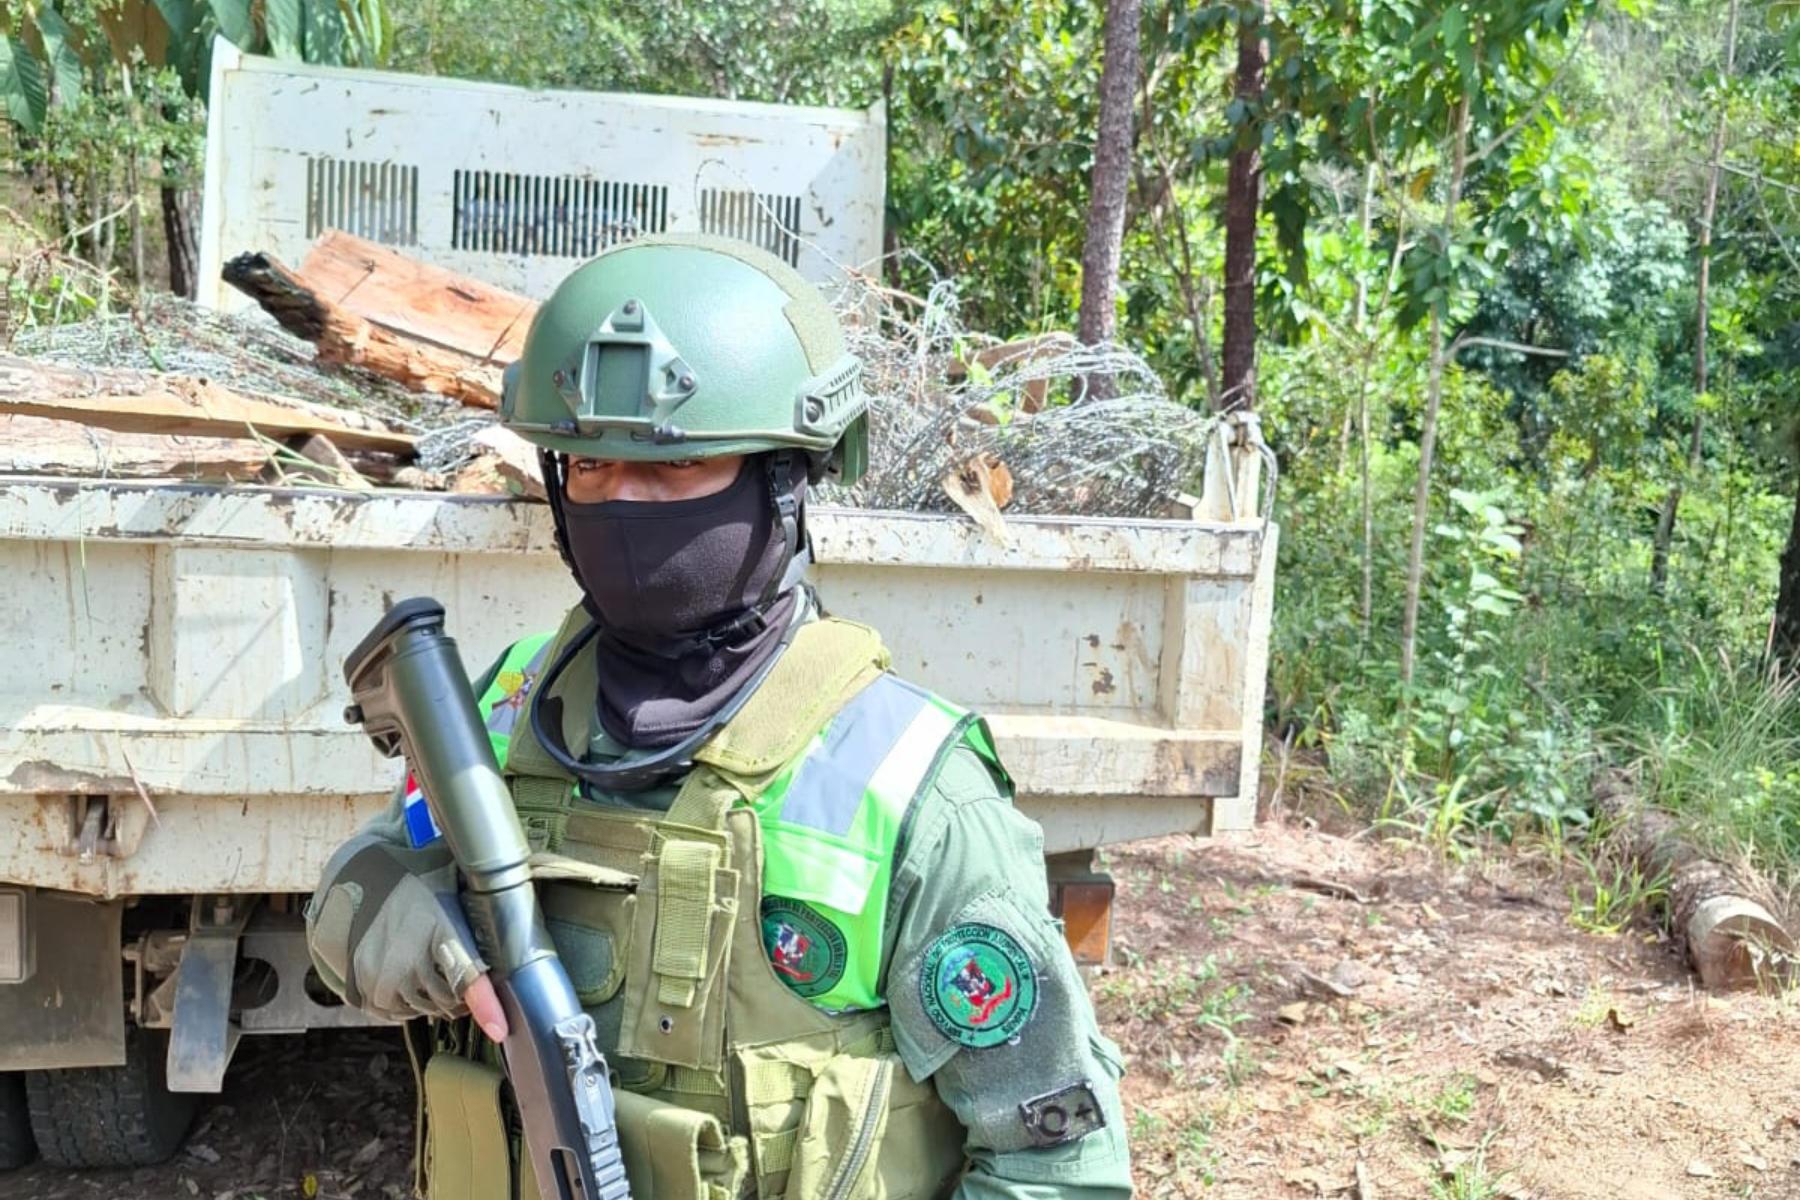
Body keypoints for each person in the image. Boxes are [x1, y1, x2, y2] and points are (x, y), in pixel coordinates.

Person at [304, 233, 1133, 1200]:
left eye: (676, 471)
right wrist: (387, 918)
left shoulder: (909, 784)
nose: (625, 503)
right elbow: (355, 888)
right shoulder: (507, 705)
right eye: (594, 471)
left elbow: (1056, 1166)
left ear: (783, 482)